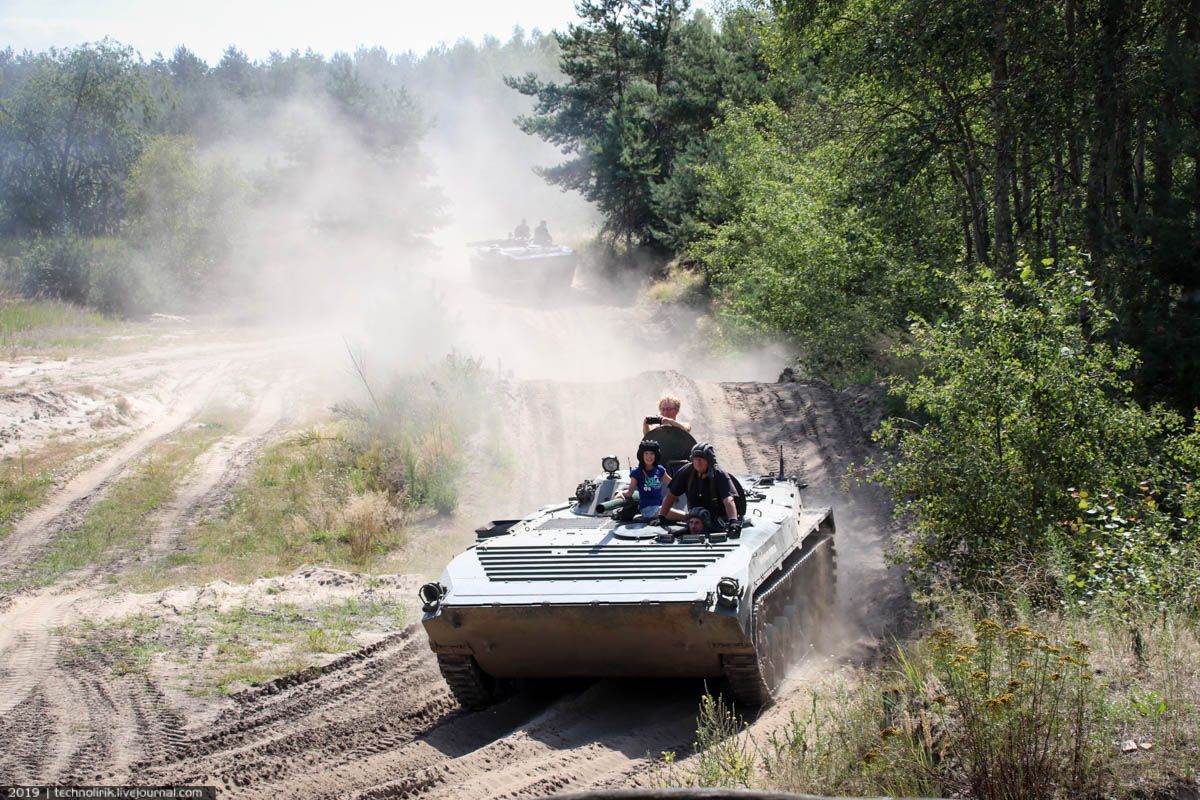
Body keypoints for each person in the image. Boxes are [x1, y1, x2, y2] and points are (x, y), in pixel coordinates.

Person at [653, 442, 740, 533]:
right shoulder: (686, 472)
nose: (697, 463)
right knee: (661, 511)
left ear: (709, 461)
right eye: (695, 459)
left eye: (701, 460)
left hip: (717, 519)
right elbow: (671, 496)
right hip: (694, 518)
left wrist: (733, 521)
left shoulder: (719, 474)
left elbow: (728, 500)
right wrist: (662, 517)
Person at [617, 439, 670, 520]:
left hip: (660, 506)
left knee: (676, 515)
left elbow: (673, 483)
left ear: (656, 455)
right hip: (647, 510)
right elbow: (629, 492)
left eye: (652, 453)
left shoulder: (659, 470)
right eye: (646, 453)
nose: (649, 456)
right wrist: (620, 492)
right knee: (682, 516)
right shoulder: (637, 473)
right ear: (642, 455)